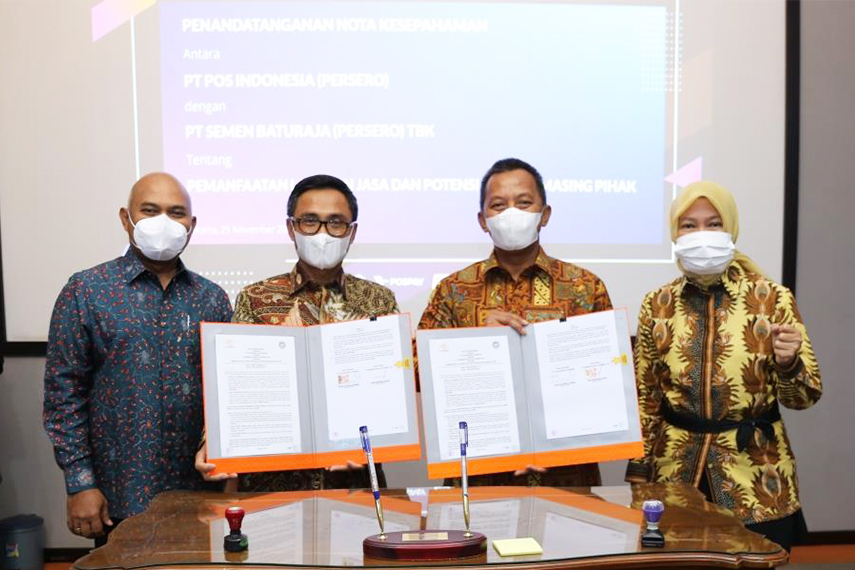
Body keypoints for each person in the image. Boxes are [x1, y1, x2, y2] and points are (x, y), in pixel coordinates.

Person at [625, 181, 821, 551]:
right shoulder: (657, 303)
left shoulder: (773, 298)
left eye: (713, 224)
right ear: (675, 234)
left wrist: (788, 363)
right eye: (689, 225)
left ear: (731, 228)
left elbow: (804, 397)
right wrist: (638, 471)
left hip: (757, 475)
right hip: (674, 475)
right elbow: (646, 397)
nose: (701, 234)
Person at [43, 173, 233, 546]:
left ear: (192, 225)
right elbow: (63, 395)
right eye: (149, 210)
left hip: (198, 494)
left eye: (176, 213)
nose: (164, 222)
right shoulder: (87, 291)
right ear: (125, 218)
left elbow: (226, 394)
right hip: (119, 495)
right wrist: (80, 483)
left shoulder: (212, 298)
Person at [195, 174, 399, 491]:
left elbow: (391, 390)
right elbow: (234, 385)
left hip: (355, 483)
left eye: (336, 222)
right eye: (310, 221)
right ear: (292, 228)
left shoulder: (378, 300)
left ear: (352, 232)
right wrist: (213, 443)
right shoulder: (256, 298)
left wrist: (382, 442)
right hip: (272, 486)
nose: (322, 233)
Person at [418, 158, 613, 487]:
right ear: (483, 220)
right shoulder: (454, 290)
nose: (511, 213)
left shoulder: (585, 287)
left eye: (523, 203)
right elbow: (417, 370)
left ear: (545, 214)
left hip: (566, 472)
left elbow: (611, 377)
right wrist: (473, 341)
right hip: (479, 472)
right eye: (498, 205)